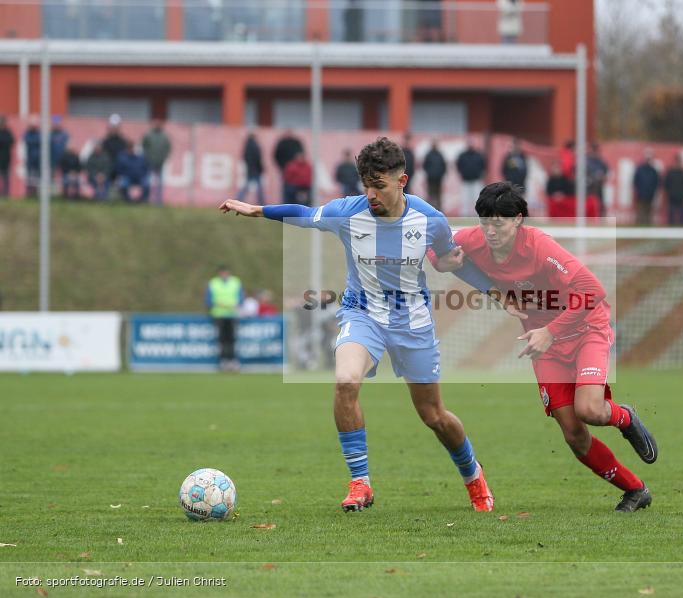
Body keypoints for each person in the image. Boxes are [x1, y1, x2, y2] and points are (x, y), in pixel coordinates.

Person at [218, 136, 497, 513]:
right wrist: (256, 210)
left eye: (379, 185)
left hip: (412, 323)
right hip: (362, 313)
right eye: (366, 184)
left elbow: (448, 258)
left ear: (402, 181)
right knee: (346, 381)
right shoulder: (349, 212)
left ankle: (473, 475)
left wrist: (488, 286)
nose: (371, 194)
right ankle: (360, 482)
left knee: (434, 416)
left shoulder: (430, 220)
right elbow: (303, 213)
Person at [432, 181, 658, 512]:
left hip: (585, 328)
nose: (491, 231)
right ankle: (635, 490)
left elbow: (593, 291)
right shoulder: (472, 241)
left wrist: (551, 330)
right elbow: (436, 253)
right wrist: (448, 266)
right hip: (545, 342)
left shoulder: (540, 247)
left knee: (591, 410)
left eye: (500, 222)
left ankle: (624, 418)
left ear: (519, 219)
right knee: (572, 433)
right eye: (485, 221)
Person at [206, 265, 243, 372]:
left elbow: (240, 298)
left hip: (232, 314)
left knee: (232, 339)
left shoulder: (236, 282)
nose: (224, 275)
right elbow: (208, 300)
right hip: (219, 315)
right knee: (222, 339)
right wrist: (220, 305)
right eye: (222, 273)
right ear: (219, 273)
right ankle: (223, 361)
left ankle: (233, 361)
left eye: (226, 273)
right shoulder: (213, 283)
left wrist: (235, 305)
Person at [142, 119, 171, 204]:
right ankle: (148, 199)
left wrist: (164, 157)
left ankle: (159, 200)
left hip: (160, 162)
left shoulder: (164, 136)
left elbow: (168, 148)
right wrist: (147, 157)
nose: (157, 125)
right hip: (150, 162)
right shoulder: (149, 135)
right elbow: (144, 146)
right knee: (149, 181)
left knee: (160, 183)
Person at [456, 141, 486, 216]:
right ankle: (464, 215)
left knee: (477, 199)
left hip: (476, 180)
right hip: (466, 181)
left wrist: (479, 174)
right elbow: (458, 165)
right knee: (465, 199)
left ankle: (478, 214)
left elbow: (484, 166)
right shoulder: (462, 155)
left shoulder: (478, 155)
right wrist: (462, 174)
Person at [274, 131, 304, 202]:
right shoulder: (293, 143)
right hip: (287, 170)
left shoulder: (285, 143)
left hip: (291, 171)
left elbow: (276, 155)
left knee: (290, 189)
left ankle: (287, 204)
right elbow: (276, 155)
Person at [237, 130, 266, 205]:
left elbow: (245, 157)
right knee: (259, 188)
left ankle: (238, 199)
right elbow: (258, 158)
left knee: (246, 186)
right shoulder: (255, 145)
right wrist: (261, 168)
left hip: (250, 169)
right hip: (255, 169)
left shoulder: (247, 145)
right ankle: (261, 202)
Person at [663, 154, 683, 226]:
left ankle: (681, 227)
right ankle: (672, 226)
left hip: (681, 196)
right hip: (672, 196)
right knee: (672, 213)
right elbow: (666, 183)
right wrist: (669, 192)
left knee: (682, 213)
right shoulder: (671, 172)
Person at [633, 149, 659, 225]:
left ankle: (647, 228)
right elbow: (635, 181)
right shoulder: (640, 169)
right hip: (641, 194)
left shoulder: (653, 171)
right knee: (640, 212)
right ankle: (639, 227)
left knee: (648, 213)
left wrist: (652, 192)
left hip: (650, 195)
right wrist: (639, 190)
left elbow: (656, 183)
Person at [101, 115, 128, 182]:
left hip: (120, 169)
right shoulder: (105, 141)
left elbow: (125, 156)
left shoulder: (123, 141)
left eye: (116, 127)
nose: (114, 129)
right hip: (108, 169)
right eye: (113, 127)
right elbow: (103, 156)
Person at [422, 140, 447, 210]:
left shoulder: (440, 155)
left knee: (438, 195)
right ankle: (429, 209)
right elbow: (425, 166)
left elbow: (444, 166)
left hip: (438, 179)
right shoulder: (428, 155)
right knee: (430, 195)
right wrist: (429, 173)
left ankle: (439, 210)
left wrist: (441, 174)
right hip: (430, 179)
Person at [586, 143, 609, 218]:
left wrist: (602, 176)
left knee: (600, 203)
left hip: (598, 186)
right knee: (590, 203)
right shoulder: (586, 160)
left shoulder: (600, 161)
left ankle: (600, 217)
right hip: (589, 186)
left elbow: (606, 171)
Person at [49, 115, 69, 190]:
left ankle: (65, 191)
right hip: (52, 159)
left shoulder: (65, 135)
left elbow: (68, 146)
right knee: (52, 175)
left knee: (64, 175)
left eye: (57, 123)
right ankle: (52, 191)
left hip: (63, 159)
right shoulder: (50, 134)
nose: (56, 125)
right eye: (55, 123)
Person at [24, 117, 41, 198]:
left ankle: (35, 193)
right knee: (30, 177)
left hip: (38, 160)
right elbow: (27, 141)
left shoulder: (39, 133)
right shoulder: (27, 133)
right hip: (30, 159)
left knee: (37, 177)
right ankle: (29, 193)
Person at [0, 116, 14, 197]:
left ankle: (5, 193)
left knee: (6, 177)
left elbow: (12, 141)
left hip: (6, 159)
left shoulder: (8, 132)